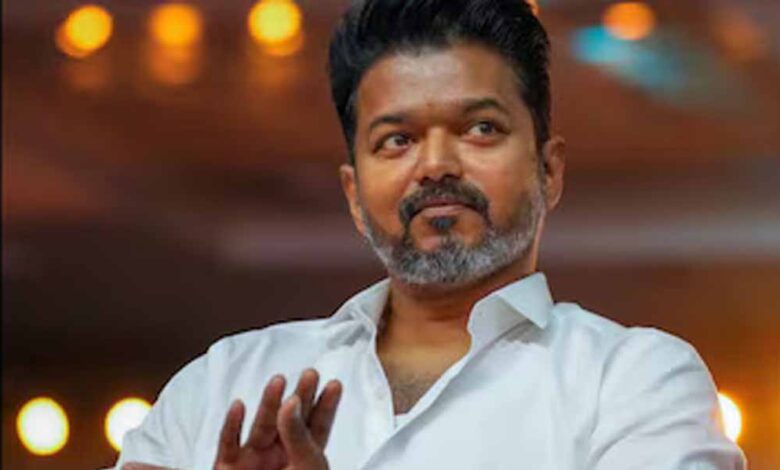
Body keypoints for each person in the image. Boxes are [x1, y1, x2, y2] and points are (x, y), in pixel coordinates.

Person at [116, 1, 746, 469]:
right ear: (353, 195)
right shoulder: (224, 383)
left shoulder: (633, 382)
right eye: (397, 140)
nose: (436, 164)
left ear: (548, 171)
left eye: (480, 129)